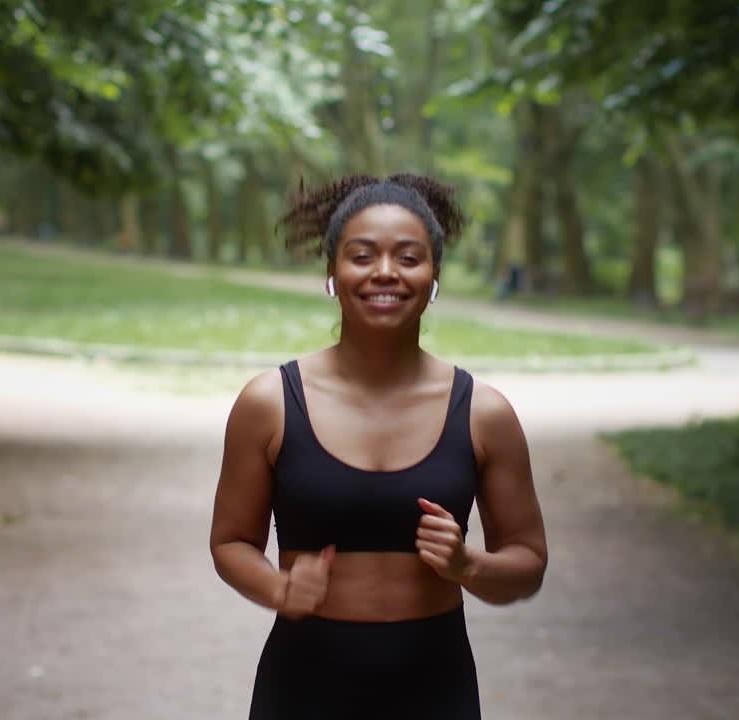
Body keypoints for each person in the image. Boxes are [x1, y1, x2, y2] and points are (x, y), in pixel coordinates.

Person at [209, 173, 548, 720]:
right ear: (332, 274)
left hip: (434, 685)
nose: (385, 272)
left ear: (434, 277)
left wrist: (468, 565)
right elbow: (230, 543)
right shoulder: (269, 403)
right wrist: (277, 588)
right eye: (362, 256)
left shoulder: (484, 414)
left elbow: (528, 563)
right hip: (305, 683)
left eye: (409, 258)